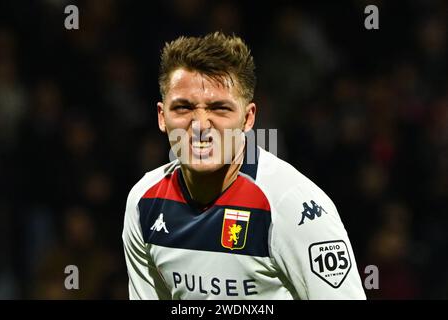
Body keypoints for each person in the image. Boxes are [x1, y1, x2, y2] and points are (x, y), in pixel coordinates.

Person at [122, 32, 366, 299]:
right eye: (183, 107)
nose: (201, 125)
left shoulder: (293, 207)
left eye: (220, 108)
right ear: (161, 117)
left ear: (248, 119)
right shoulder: (144, 202)